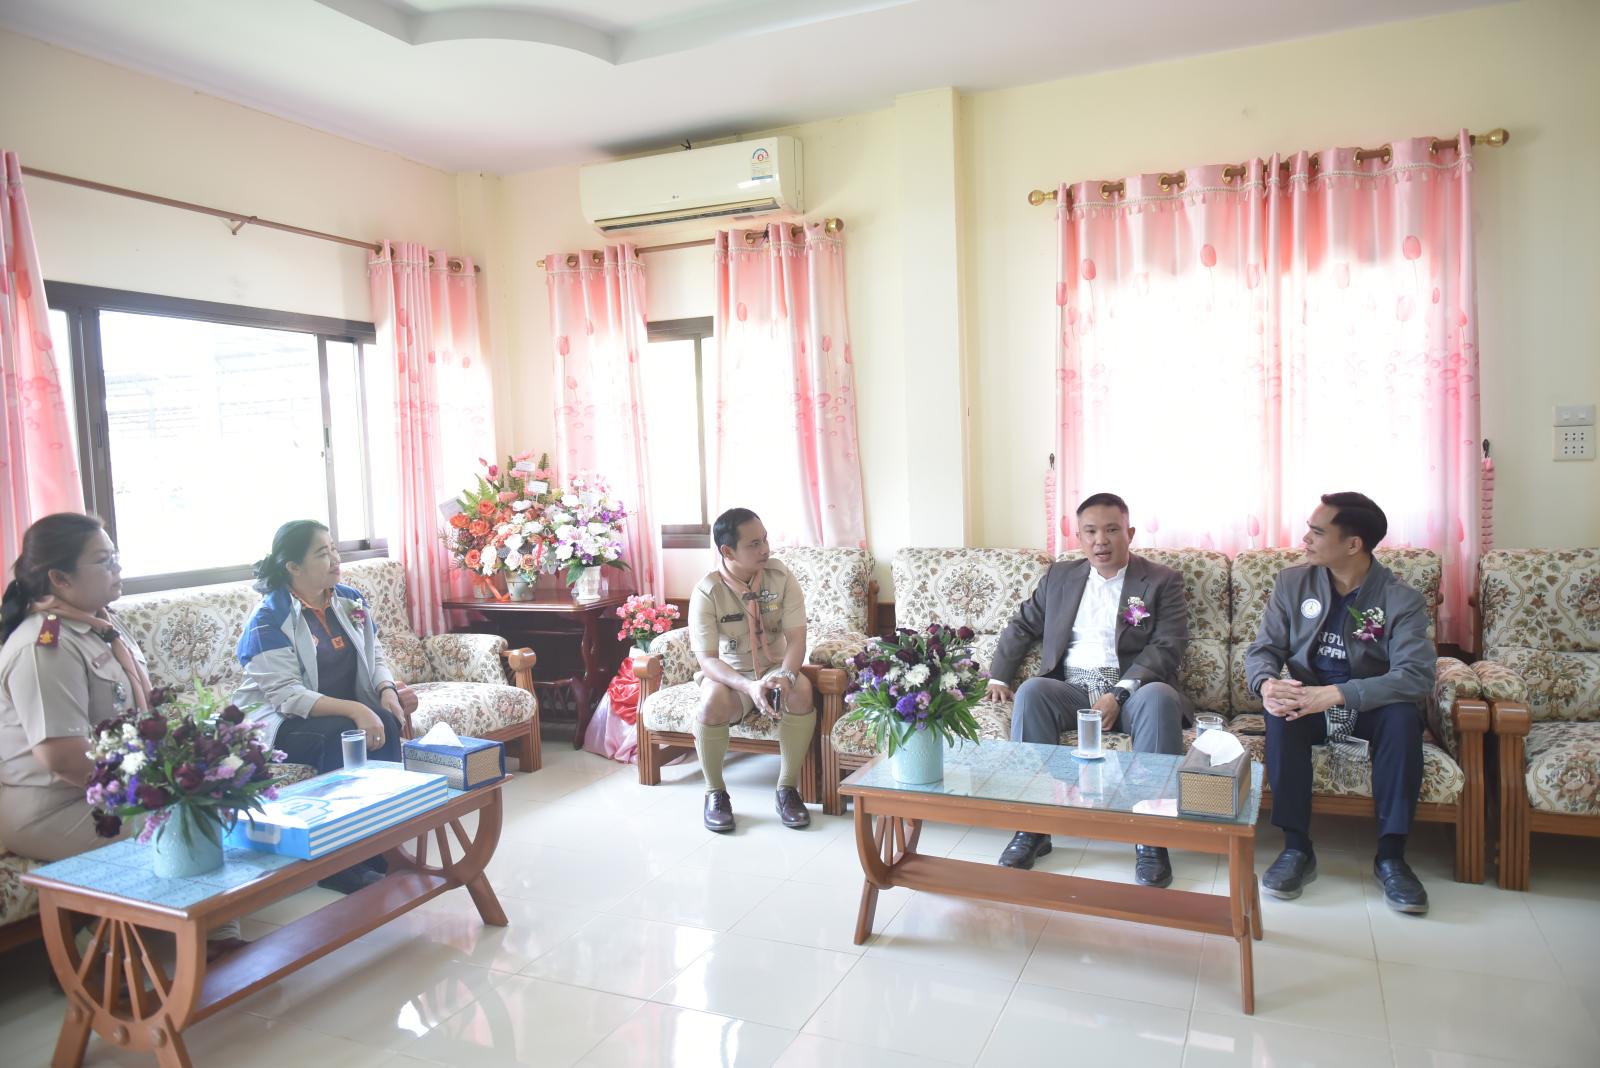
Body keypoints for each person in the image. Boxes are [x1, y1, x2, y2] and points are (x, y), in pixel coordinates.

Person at [0, 513, 246, 956]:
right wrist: (149, 793)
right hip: (52, 803)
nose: (117, 568)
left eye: (115, 556)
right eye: (103, 560)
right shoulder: (45, 646)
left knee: (202, 803)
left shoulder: (100, 624)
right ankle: (92, 950)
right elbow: (62, 757)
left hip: (107, 786)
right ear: (60, 577)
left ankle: (215, 934)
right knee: (179, 823)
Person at [986, 493, 1192, 886]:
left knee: (1160, 697)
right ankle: (1033, 826)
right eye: (1091, 532)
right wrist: (999, 677)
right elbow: (1023, 625)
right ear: (1079, 537)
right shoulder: (1060, 577)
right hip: (1073, 690)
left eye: (1112, 530)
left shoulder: (1161, 580)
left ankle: (1151, 837)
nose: (1101, 541)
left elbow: (1168, 645)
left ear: (1130, 533)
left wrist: (1120, 693)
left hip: (1135, 690)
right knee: (1032, 692)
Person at [1245, 492, 1435, 914]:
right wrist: (1266, 684)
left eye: (1317, 532)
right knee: (1281, 713)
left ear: (1353, 544)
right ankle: (1296, 847)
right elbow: (1263, 650)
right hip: (1307, 702)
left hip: (1370, 708)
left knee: (1403, 718)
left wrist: (1336, 694)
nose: (1305, 539)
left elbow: (1415, 676)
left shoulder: (1401, 599)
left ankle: (1392, 857)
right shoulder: (1292, 583)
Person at [233, 520, 407, 772]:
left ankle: (394, 796)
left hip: (335, 713)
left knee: (386, 720)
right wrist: (356, 709)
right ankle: (349, 799)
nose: (335, 559)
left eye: (334, 549)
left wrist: (387, 690)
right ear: (294, 567)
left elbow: (374, 654)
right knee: (343, 734)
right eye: (323, 553)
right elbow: (288, 696)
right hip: (279, 722)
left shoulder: (350, 600)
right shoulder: (269, 619)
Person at [688, 508, 815, 833]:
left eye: (765, 540)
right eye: (754, 544)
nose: (765, 549)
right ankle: (715, 794)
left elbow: (797, 639)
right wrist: (748, 687)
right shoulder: (707, 592)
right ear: (728, 551)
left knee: (802, 690)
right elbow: (707, 660)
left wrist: (786, 676)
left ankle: (787, 790)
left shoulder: (780, 577)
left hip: (774, 668)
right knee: (710, 703)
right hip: (732, 675)